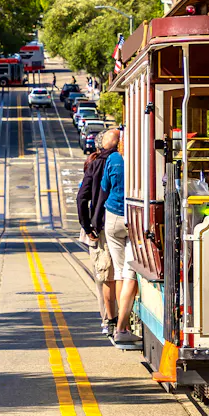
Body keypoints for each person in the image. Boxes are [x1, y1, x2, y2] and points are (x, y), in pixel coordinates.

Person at [99, 129, 141, 349]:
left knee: (118, 272)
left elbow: (104, 187)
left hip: (113, 218)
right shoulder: (141, 156)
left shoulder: (114, 158)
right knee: (131, 273)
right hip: (134, 218)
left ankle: (120, 324)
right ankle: (122, 328)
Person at [77, 132, 118, 335]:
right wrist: (88, 226)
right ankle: (111, 320)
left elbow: (82, 197)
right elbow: (82, 198)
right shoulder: (108, 163)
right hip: (103, 226)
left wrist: (87, 226)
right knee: (108, 274)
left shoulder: (94, 163)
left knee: (103, 276)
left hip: (98, 226)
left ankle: (109, 320)